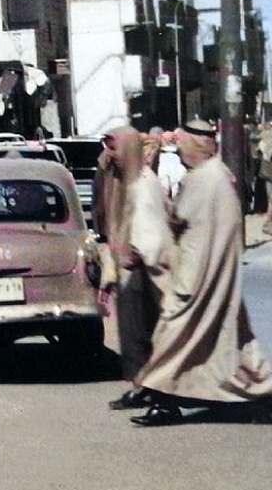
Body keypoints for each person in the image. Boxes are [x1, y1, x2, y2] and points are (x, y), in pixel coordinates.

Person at [130, 123, 272, 425]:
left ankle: (164, 402)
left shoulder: (205, 179)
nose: (180, 151)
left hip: (196, 279)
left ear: (196, 146)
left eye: (183, 145)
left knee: (171, 336)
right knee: (232, 342)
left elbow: (179, 218)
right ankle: (263, 393)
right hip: (211, 275)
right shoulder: (216, 176)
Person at [98, 127, 166, 411]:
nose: (110, 154)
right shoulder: (121, 180)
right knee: (130, 333)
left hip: (142, 270)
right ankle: (141, 386)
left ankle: (153, 390)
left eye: (115, 148)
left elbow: (153, 228)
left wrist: (137, 254)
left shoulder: (143, 182)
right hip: (126, 268)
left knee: (142, 332)